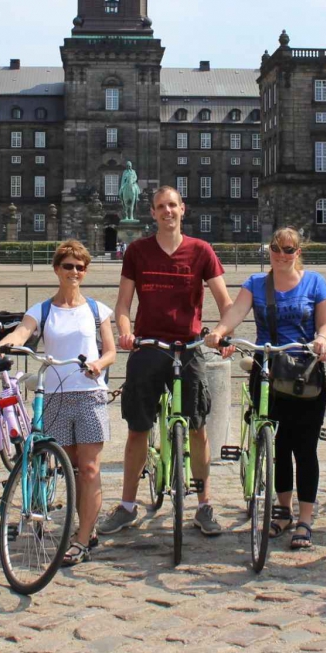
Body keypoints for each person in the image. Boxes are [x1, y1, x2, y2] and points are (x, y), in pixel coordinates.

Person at [99, 185, 234, 537]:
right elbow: (123, 306)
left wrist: (221, 332)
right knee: (138, 429)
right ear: (153, 212)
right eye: (161, 206)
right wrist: (126, 332)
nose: (167, 211)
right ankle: (127, 505)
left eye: (172, 205)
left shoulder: (201, 251)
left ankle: (204, 504)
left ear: (182, 209)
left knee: (198, 427)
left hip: (188, 347)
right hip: (148, 346)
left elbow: (226, 302)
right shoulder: (138, 252)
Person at [0, 240, 116, 565]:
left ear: (85, 271)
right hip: (56, 395)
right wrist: (2, 344)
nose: (74, 272)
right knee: (69, 467)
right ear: (57, 269)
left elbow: (111, 350)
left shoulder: (98, 311)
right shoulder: (41, 310)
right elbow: (22, 333)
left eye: (80, 267)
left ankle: (82, 538)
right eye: (68, 266)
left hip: (89, 394)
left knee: (89, 468)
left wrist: (99, 364)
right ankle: (87, 523)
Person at [205, 227, 326, 551]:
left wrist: (322, 338)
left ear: (298, 251)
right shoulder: (256, 284)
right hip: (267, 369)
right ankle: (283, 510)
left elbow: (325, 323)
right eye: (276, 248)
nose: (282, 254)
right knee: (278, 445)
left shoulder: (315, 283)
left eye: (289, 249)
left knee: (304, 447)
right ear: (270, 250)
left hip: (305, 370)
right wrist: (220, 331)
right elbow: (236, 311)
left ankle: (305, 517)